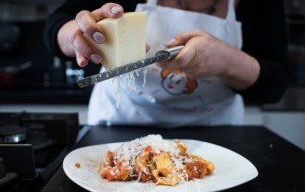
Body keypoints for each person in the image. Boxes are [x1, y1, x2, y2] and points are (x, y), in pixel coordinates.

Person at [44, 0, 290, 127]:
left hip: (215, 136)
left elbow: (276, 84)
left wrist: (226, 61)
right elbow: (56, 24)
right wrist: (78, 34)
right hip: (118, 125)